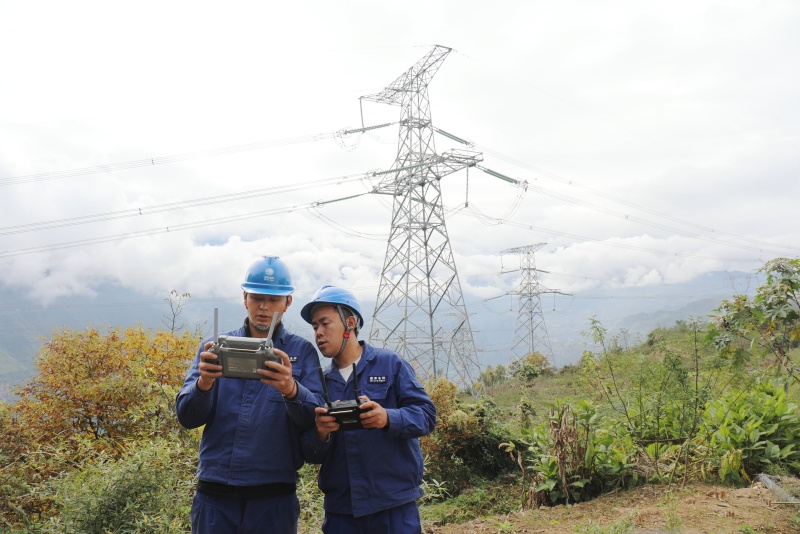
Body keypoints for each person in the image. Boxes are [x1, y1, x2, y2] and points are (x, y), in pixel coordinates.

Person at [176, 256, 323, 534]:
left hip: (274, 497)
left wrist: (291, 389)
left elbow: (314, 422)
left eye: (273, 299)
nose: (264, 307)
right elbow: (187, 416)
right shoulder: (213, 349)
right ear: (245, 298)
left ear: (287, 303)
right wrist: (204, 383)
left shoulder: (301, 353)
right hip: (215, 494)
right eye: (256, 298)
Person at [299, 285, 437, 534]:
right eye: (314, 327)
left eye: (324, 323)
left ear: (350, 323)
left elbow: (426, 416)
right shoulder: (319, 381)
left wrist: (387, 417)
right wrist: (320, 433)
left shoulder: (390, 364)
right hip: (342, 512)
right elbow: (310, 452)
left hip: (393, 506)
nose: (318, 333)